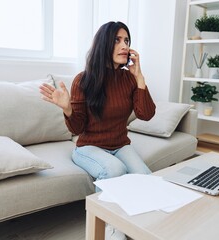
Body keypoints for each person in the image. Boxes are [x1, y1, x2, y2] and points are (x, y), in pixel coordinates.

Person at [39, 21, 155, 240]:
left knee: (145, 177)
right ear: (104, 44)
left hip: (120, 145)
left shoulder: (129, 79)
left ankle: (138, 221)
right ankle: (109, 226)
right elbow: (78, 127)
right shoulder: (83, 80)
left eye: (127, 40)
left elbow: (146, 114)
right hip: (88, 147)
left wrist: (139, 77)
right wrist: (67, 109)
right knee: (114, 170)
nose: (125, 46)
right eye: (117, 40)